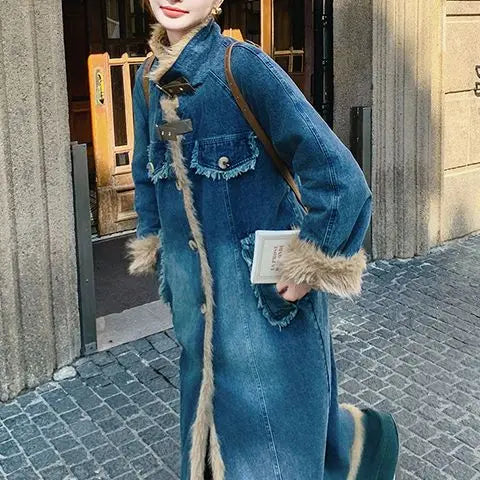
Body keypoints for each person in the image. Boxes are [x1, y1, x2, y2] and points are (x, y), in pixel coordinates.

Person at [127, 1, 400, 479]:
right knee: (212, 442)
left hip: (264, 310)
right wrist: (160, 253)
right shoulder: (148, 81)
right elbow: (147, 173)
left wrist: (313, 261)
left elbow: (340, 179)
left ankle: (364, 444)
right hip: (196, 318)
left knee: (278, 452)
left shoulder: (244, 68)